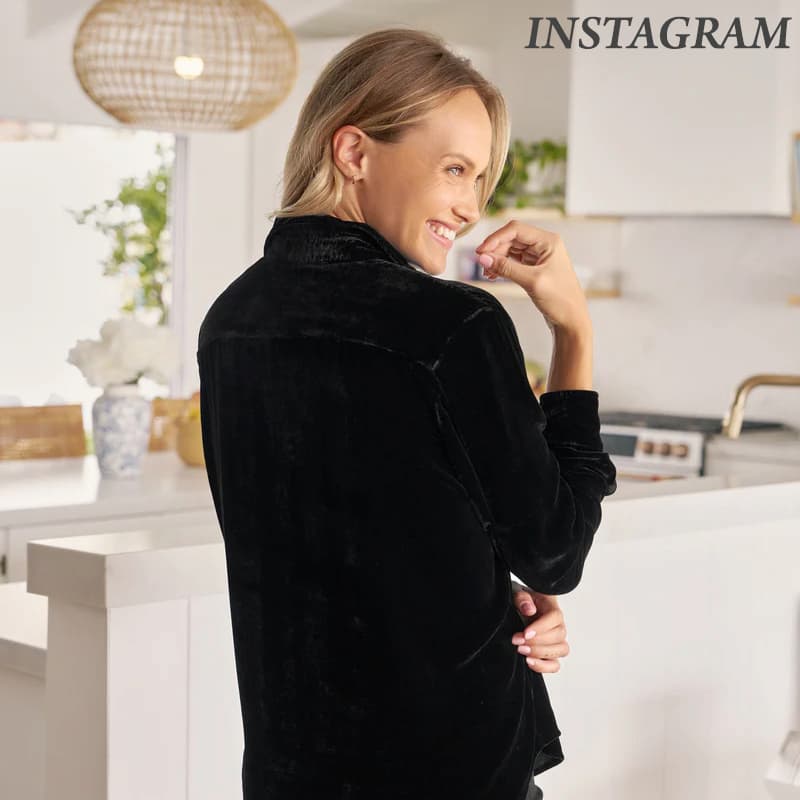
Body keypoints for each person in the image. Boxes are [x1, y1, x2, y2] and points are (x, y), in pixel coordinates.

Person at [197, 27, 617, 800]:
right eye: (455, 168)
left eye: (482, 178)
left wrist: (489, 596)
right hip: (451, 769)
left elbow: (359, 540)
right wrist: (573, 329)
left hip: (293, 771)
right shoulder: (453, 324)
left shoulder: (230, 320)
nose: (469, 205)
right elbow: (556, 550)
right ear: (354, 152)